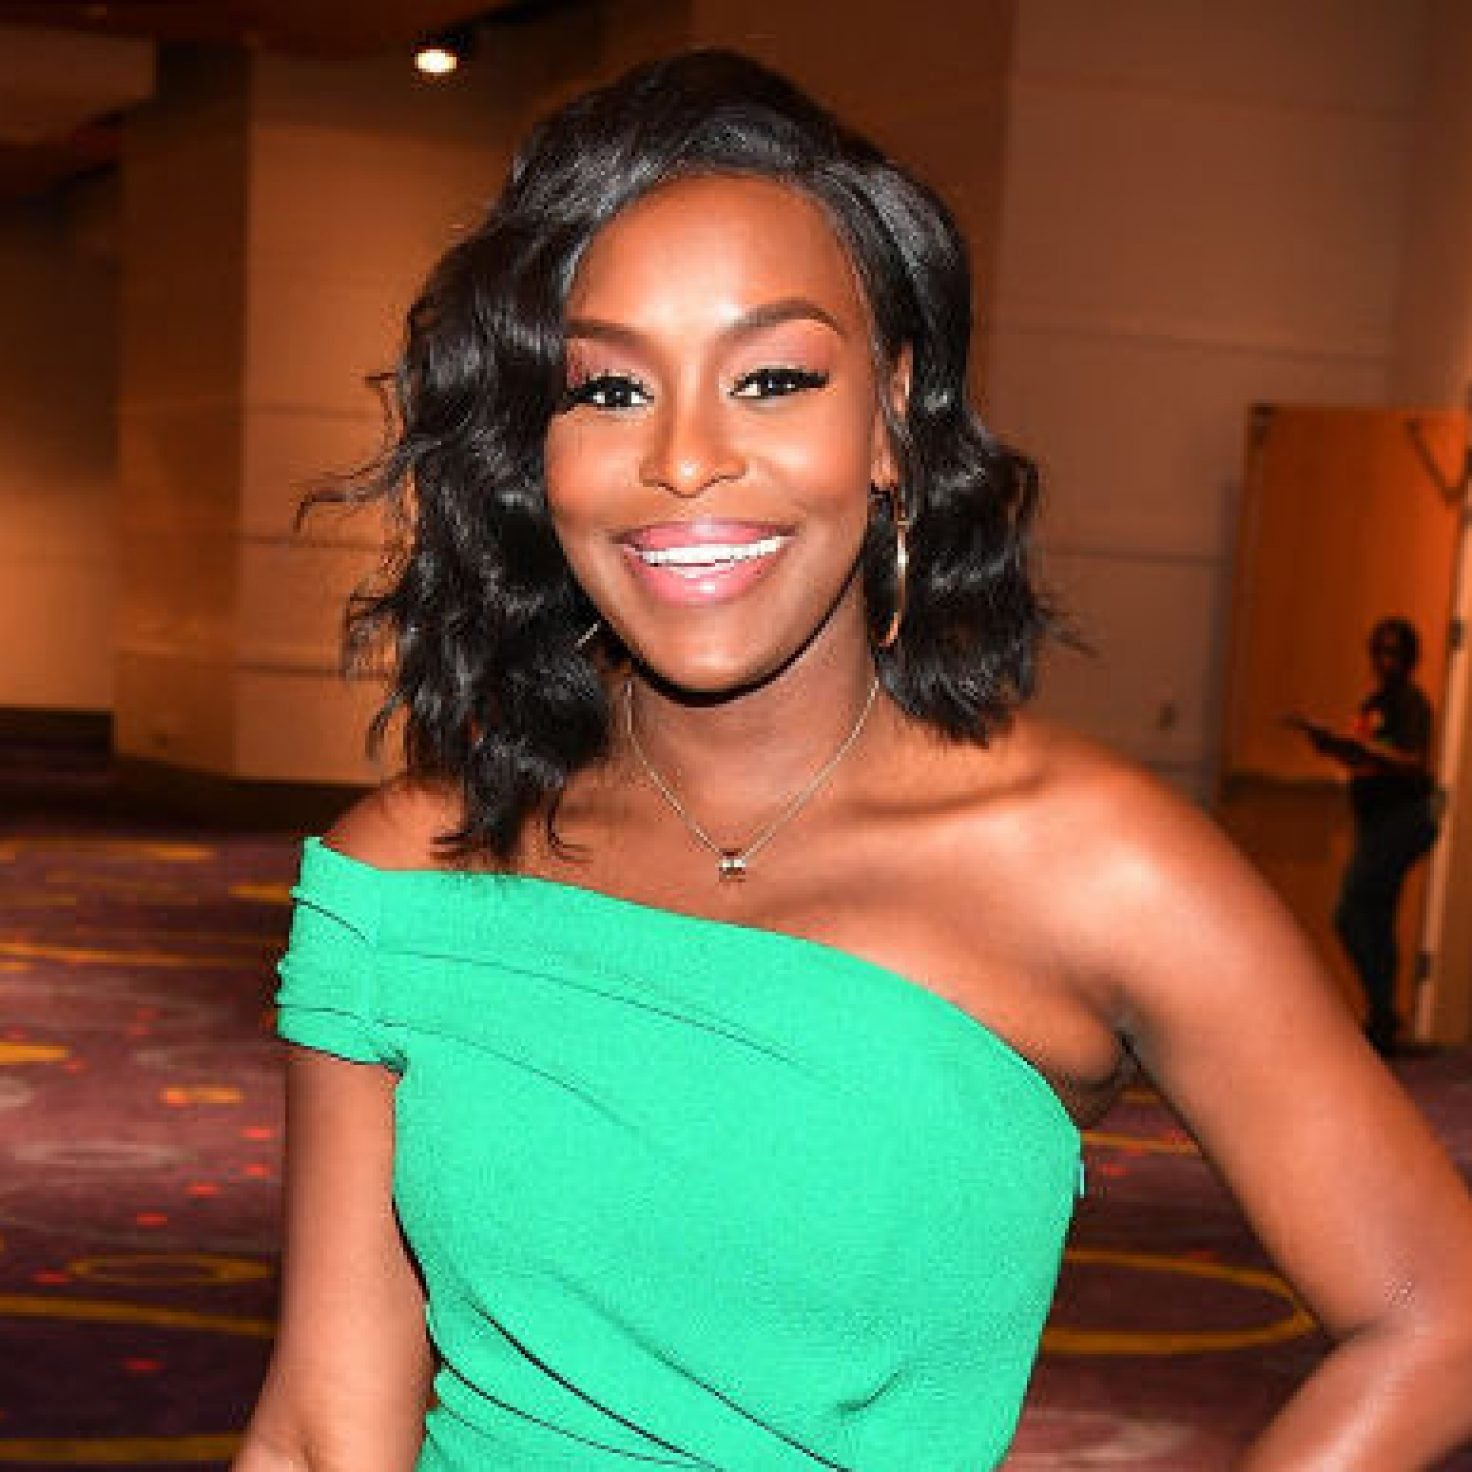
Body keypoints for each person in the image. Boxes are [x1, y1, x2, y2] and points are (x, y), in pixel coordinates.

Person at [234, 51, 1472, 1472]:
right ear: (536, 449)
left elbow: (1435, 1316)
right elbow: (320, 1432)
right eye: (610, 390)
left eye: (771, 378)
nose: (685, 459)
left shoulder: (1094, 868)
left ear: (891, 417)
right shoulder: (406, 874)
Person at [1291, 617, 1440, 1056]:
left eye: (1394, 653)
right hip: (1376, 821)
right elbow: (1364, 758)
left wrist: (1363, 748)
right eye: (1379, 652)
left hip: (1402, 819)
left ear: (1409, 658)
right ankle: (1381, 1017)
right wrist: (1332, 745)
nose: (1385, 661)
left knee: (1352, 912)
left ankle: (1382, 1014)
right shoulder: (1373, 703)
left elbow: (1411, 760)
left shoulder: (1411, 703)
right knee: (1376, 917)